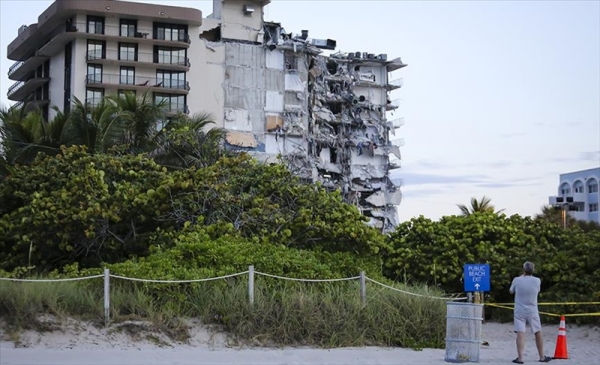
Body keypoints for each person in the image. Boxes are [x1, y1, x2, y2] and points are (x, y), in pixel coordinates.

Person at [509, 261, 552, 363]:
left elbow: (511, 291)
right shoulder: (537, 280)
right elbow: (538, 290)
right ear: (533, 270)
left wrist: (520, 278)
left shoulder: (517, 280)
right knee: (537, 331)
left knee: (520, 332)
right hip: (532, 309)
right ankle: (542, 356)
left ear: (524, 269)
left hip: (519, 309)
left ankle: (520, 358)